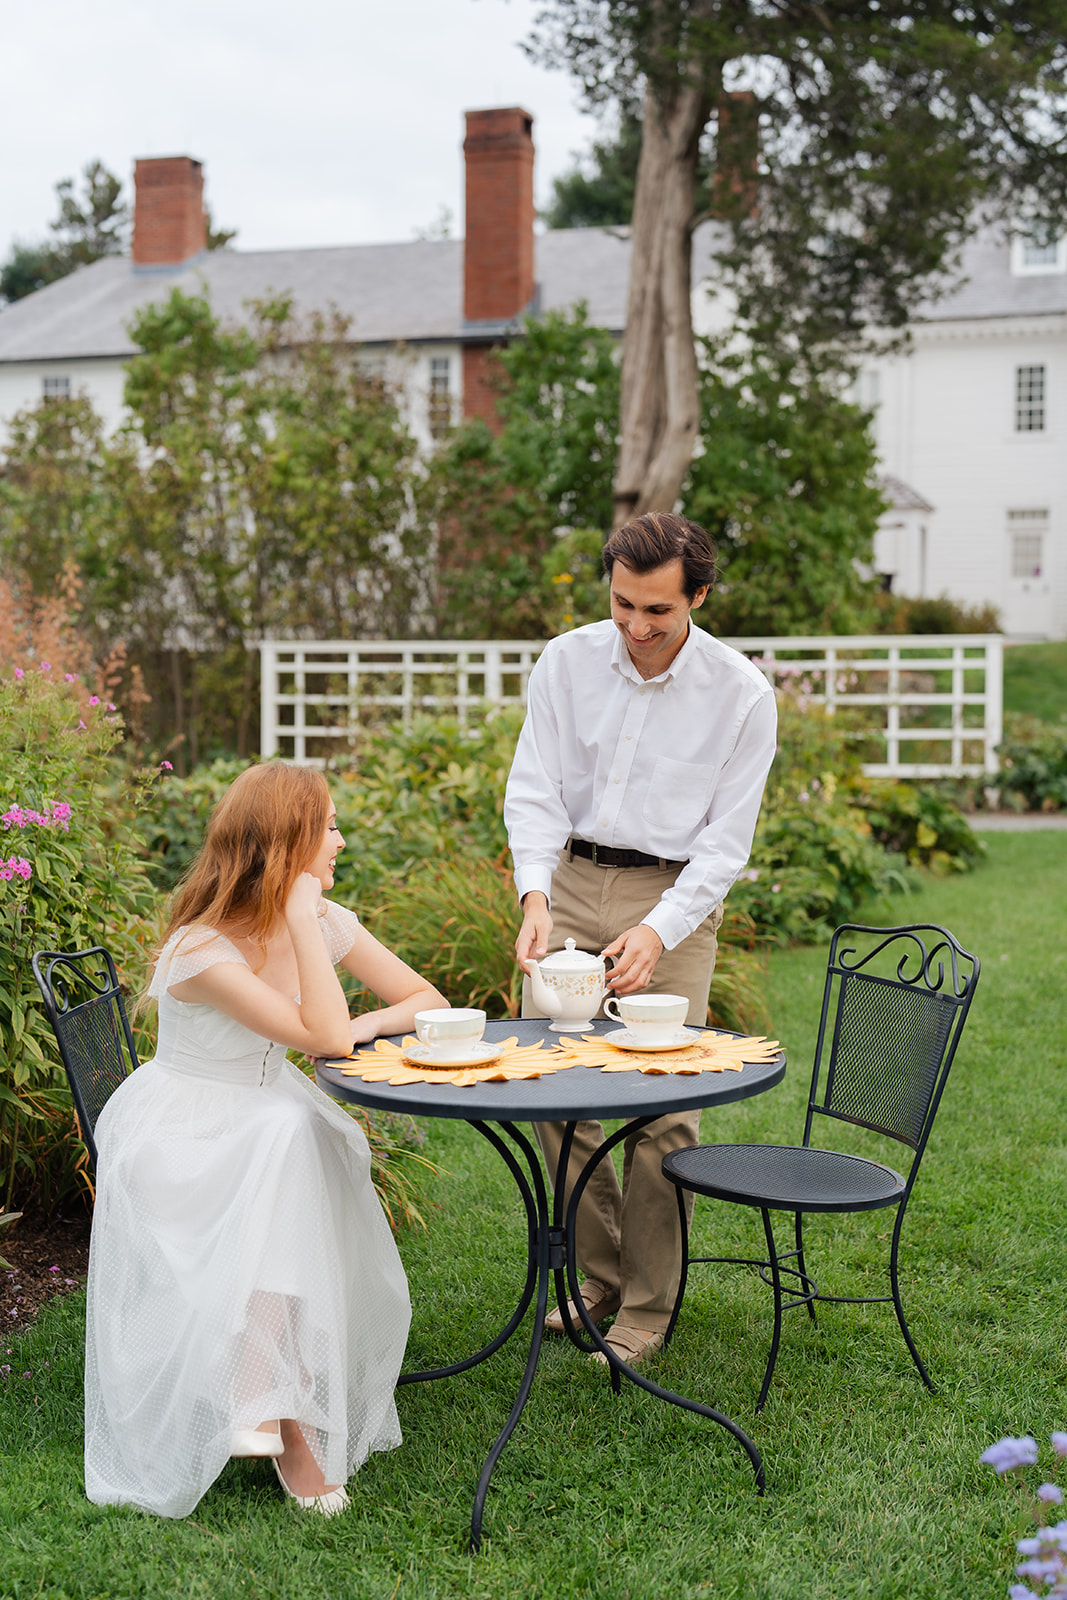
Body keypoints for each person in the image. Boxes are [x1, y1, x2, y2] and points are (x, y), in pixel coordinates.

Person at [84, 762, 446, 1518]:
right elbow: (319, 1034)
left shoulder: (324, 919)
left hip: (264, 1114)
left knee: (292, 1132)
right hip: (182, 1130)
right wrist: (307, 919)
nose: (341, 841)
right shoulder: (200, 948)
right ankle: (275, 1406)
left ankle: (266, 1396)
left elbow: (423, 1000)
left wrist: (357, 1009)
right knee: (292, 1134)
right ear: (288, 844)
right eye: (330, 827)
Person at [504, 512, 777, 1366]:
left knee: (663, 1107)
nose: (635, 626)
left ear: (697, 596)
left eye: (657, 610)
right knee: (547, 1081)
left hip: (676, 893)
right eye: (623, 603)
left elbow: (724, 847)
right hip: (573, 881)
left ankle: (649, 1307)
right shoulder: (566, 660)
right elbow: (535, 789)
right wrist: (534, 893)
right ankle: (601, 1272)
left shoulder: (740, 694)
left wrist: (658, 931)